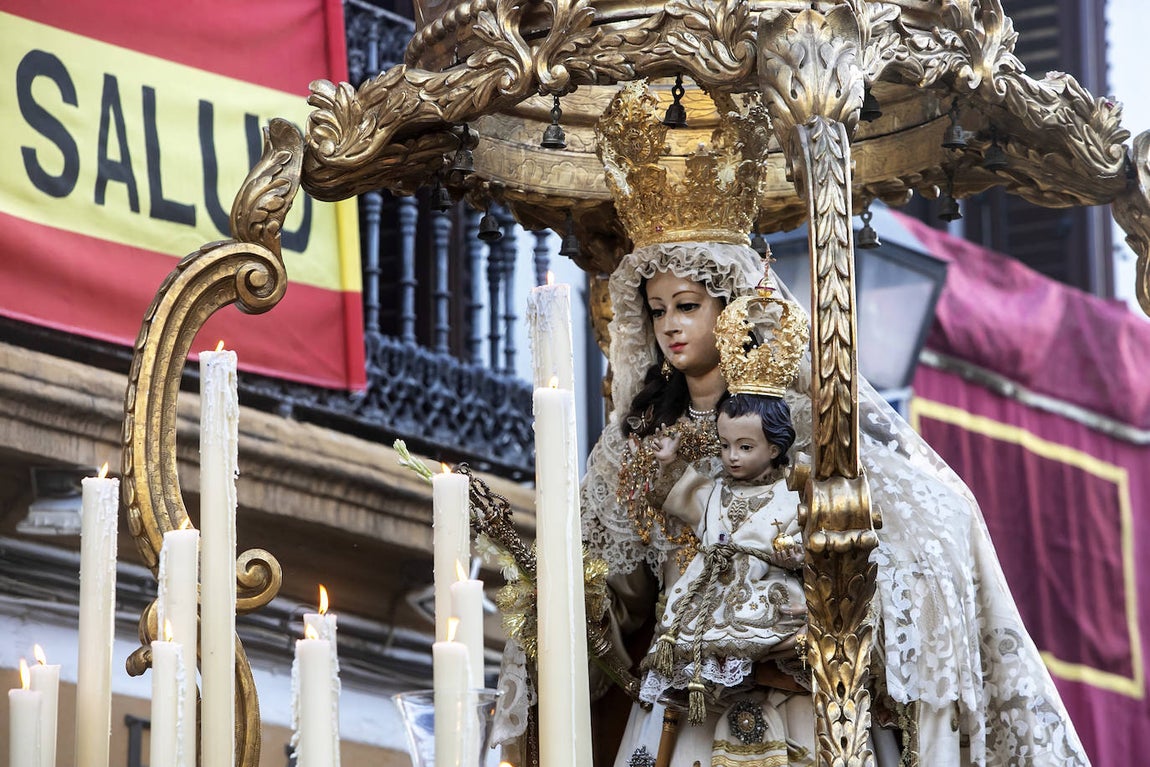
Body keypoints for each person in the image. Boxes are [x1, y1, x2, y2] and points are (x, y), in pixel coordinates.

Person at [575, 80, 1090, 767]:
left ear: (727, 304)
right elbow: (617, 591)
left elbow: (916, 517)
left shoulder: (803, 422)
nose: (670, 324)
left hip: (801, 695)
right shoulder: (634, 445)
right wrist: (573, 599)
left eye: (688, 305)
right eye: (659, 307)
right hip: (685, 701)